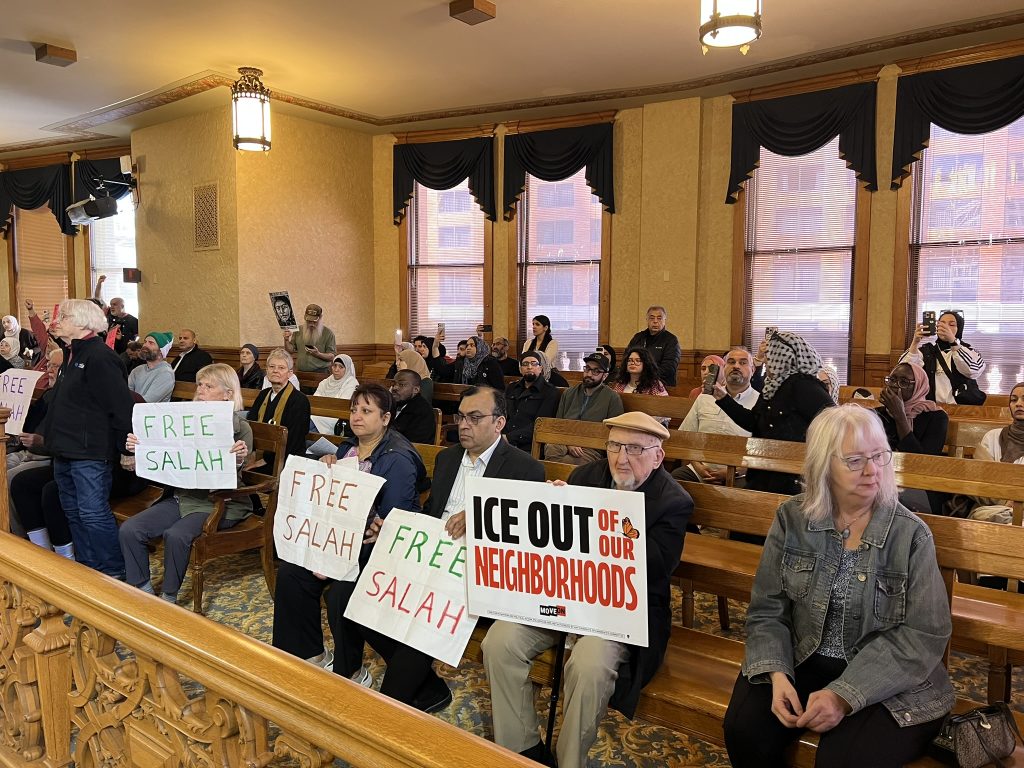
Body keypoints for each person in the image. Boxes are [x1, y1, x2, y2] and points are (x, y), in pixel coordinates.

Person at [723, 405, 953, 768]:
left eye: (879, 456)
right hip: (803, 655)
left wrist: (844, 695)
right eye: (855, 460)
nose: (872, 470)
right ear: (823, 465)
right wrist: (776, 673)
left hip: (886, 675)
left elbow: (923, 635)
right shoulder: (792, 518)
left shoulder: (909, 534)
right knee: (744, 730)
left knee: (843, 759)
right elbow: (768, 608)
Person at [483, 411, 692, 768]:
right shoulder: (584, 475)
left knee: (589, 665)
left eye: (634, 449)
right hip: (564, 595)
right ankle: (524, 750)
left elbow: (656, 569)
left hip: (623, 611)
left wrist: (614, 514)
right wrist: (553, 509)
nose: (621, 458)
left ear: (658, 456)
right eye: (613, 445)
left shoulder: (673, 500)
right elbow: (552, 545)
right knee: (499, 642)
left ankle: (569, 761)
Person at [273, 384, 427, 696]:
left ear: (385, 418)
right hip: (343, 539)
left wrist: (341, 550)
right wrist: (329, 467)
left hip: (381, 545)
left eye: (366, 411)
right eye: (354, 409)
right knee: (291, 572)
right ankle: (308, 653)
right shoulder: (347, 449)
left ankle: (352, 670)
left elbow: (392, 519)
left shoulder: (397, 457)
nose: (356, 416)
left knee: (341, 590)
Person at [424, 387, 546, 708]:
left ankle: (402, 697)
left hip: (481, 569)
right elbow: (431, 513)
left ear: (499, 423)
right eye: (460, 416)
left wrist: (479, 514)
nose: (464, 425)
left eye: (475, 418)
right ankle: (419, 685)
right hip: (434, 555)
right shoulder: (447, 458)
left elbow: (525, 537)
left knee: (421, 610)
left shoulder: (525, 469)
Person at [119, 364, 252, 603]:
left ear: (228, 394)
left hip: (218, 501)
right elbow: (162, 452)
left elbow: (234, 469)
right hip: (184, 496)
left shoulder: (240, 428)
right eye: (199, 384)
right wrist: (140, 447)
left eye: (209, 386)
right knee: (131, 529)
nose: (200, 389)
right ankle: (143, 589)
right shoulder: (182, 421)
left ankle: (169, 597)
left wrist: (239, 458)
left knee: (176, 535)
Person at [43, 299, 134, 579]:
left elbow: (120, 407)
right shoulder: (71, 354)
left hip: (90, 452)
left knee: (93, 514)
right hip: (66, 450)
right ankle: (89, 570)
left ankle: (114, 572)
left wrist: (125, 449)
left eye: (65, 316)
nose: (58, 321)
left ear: (83, 323)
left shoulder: (100, 356)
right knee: (73, 512)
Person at [714, 332, 834, 494]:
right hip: (763, 472)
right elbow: (753, 422)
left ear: (784, 358)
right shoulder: (771, 386)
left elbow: (834, 424)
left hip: (793, 478)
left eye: (770, 356)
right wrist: (724, 400)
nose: (766, 361)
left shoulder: (804, 385)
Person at [674, 346, 760, 484]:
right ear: (724, 367)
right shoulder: (705, 398)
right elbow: (686, 437)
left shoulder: (760, 402)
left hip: (741, 474)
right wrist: (698, 466)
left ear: (753, 370)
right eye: (731, 362)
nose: (736, 366)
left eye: (743, 363)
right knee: (673, 481)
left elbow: (763, 453)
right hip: (700, 470)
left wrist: (734, 471)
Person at [544, 352, 624, 465]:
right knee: (551, 448)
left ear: (605, 376)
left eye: (596, 371)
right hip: (564, 440)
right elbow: (559, 424)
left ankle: (555, 480)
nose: (589, 374)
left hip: (592, 447)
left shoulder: (612, 398)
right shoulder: (569, 393)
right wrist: (569, 442)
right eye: (587, 369)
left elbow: (614, 433)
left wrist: (582, 441)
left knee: (567, 462)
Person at [899, 310, 985, 404]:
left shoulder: (969, 350)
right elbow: (902, 371)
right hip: (932, 410)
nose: (945, 327)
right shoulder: (925, 350)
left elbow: (972, 371)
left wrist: (953, 341)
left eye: (951, 325)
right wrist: (915, 342)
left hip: (962, 409)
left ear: (959, 329)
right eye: (941, 323)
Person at [247, 348, 311, 463]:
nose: (275, 370)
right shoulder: (263, 395)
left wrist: (265, 460)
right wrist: (252, 454)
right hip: (259, 454)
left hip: (286, 459)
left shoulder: (299, 400)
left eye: (281, 368)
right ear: (266, 370)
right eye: (271, 367)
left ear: (290, 373)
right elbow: (251, 425)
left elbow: (295, 440)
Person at [502, 351, 562, 452]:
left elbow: (540, 424)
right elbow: (501, 414)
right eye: (525, 364)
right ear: (520, 369)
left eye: (534, 364)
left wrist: (509, 438)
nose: (529, 367)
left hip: (529, 443)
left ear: (540, 368)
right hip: (503, 437)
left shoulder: (550, 392)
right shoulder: (512, 388)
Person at [626, 306, 681, 387]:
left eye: (659, 318)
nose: (655, 321)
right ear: (647, 320)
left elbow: (669, 367)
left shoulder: (671, 340)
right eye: (652, 318)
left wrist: (646, 376)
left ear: (664, 320)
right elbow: (626, 358)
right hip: (635, 383)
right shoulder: (638, 337)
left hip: (661, 385)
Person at [433, 335, 506, 391]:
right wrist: (435, 346)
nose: (468, 348)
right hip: (464, 400)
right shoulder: (461, 362)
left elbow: (499, 389)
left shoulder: (490, 363)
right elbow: (441, 370)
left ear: (480, 348)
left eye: (472, 345)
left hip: (485, 403)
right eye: (467, 345)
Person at [310, 353, 359, 434]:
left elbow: (340, 404)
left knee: (307, 424)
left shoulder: (351, 383)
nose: (336, 369)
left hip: (336, 417)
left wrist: (324, 404)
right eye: (334, 365)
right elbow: (316, 399)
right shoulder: (326, 381)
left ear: (347, 369)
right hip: (320, 414)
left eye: (341, 367)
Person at [93, 274, 139, 355]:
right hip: (107, 351)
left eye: (115, 304)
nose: (111, 307)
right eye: (111, 304)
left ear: (122, 306)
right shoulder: (109, 315)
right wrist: (99, 283)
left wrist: (123, 338)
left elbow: (137, 338)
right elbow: (98, 298)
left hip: (123, 353)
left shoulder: (133, 320)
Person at [284, 303, 337, 373]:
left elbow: (331, 356)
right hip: (300, 373)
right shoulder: (298, 330)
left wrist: (318, 354)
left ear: (320, 318)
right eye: (309, 321)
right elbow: (290, 351)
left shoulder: (328, 333)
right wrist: (286, 340)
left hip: (320, 373)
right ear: (305, 317)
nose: (311, 324)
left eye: (314, 321)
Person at [390, 370, 436, 444]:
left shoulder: (422, 410)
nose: (395, 388)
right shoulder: (390, 404)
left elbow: (416, 443)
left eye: (401, 385)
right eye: (393, 384)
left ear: (416, 389)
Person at [127, 332, 175, 403]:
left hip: (151, 413)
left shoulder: (166, 374)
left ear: (161, 351)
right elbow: (126, 394)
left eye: (151, 343)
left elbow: (147, 402)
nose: (145, 345)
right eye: (145, 342)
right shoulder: (137, 370)